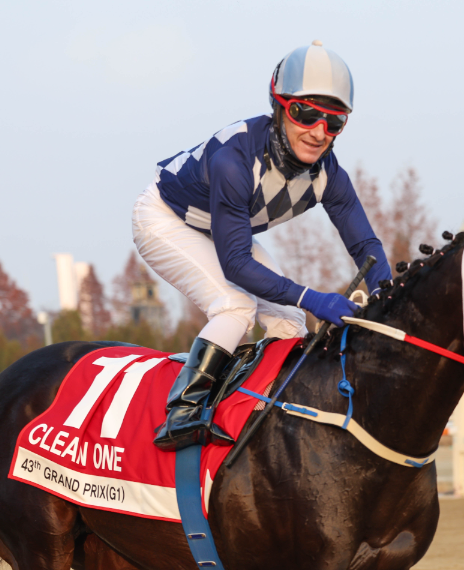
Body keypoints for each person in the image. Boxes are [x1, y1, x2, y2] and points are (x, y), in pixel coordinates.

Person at [133, 41, 393, 451]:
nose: (318, 132)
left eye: (334, 122)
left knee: (289, 320)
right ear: (278, 106)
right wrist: (314, 297)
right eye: (305, 113)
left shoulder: (330, 175)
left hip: (217, 230)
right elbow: (236, 264)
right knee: (236, 306)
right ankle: (182, 412)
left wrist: (388, 294)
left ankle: (257, 412)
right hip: (165, 219)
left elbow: (365, 244)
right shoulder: (234, 160)